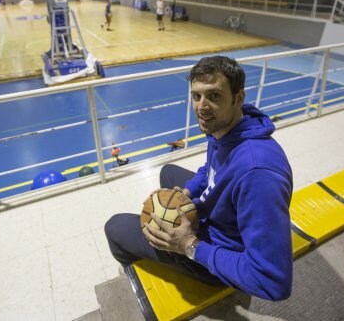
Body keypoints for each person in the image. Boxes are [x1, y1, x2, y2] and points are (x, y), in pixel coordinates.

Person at [105, 56, 293, 301]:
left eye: (214, 96)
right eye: (197, 96)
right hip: (220, 220)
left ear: (238, 98)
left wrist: (190, 245)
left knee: (115, 227)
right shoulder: (229, 126)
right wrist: (187, 193)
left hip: (219, 254)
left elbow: (273, 282)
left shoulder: (257, 175)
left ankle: (137, 281)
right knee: (168, 171)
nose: (201, 107)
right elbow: (210, 168)